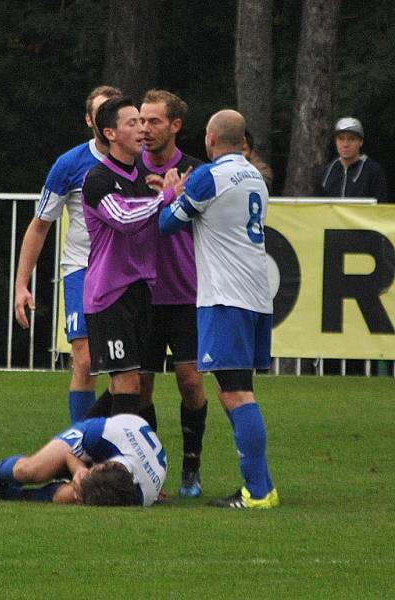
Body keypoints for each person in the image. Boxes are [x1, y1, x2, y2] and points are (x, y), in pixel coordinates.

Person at [159, 109, 279, 509]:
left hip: (225, 296)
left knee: (235, 392)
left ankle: (259, 491)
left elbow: (167, 224)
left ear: (211, 139)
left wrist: (172, 191)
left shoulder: (211, 176)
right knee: (239, 389)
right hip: (256, 295)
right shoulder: (255, 177)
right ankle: (260, 485)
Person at [14, 85, 122, 424]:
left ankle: (119, 443)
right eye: (101, 112)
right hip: (83, 270)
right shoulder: (70, 164)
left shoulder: (139, 160)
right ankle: (80, 446)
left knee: (130, 371)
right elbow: (40, 225)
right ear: (90, 120)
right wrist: (21, 284)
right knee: (87, 361)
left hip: (127, 274)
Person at [79, 96, 180, 428]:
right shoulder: (98, 179)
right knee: (128, 386)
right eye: (132, 123)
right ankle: (121, 470)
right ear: (110, 133)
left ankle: (67, 451)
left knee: (123, 386)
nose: (142, 129)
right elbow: (123, 217)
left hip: (139, 292)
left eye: (143, 122)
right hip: (110, 296)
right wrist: (164, 197)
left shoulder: (141, 178)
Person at [137, 89, 208, 498]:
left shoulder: (198, 173)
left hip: (186, 295)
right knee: (140, 388)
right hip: (141, 296)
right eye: (142, 121)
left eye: (154, 121)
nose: (145, 129)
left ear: (175, 126)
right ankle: (153, 470)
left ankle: (191, 468)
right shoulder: (127, 169)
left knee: (190, 383)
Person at [0, 413, 167, 506]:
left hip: (125, 463)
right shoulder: (103, 435)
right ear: (102, 465)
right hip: (92, 438)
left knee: (70, 496)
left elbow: (92, 492)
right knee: (32, 470)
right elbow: (69, 454)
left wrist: (79, 491)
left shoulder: (139, 497)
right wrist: (78, 472)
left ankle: (4, 494)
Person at [315, 117, 388, 203]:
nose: (345, 144)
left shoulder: (373, 171)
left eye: (351, 139)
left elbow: (381, 206)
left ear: (360, 142)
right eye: (341, 139)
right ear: (335, 141)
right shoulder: (326, 172)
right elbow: (317, 206)